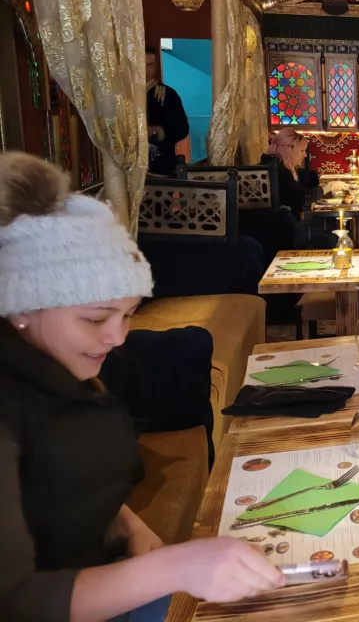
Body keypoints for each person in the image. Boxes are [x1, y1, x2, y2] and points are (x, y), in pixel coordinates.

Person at [0, 152, 285, 622]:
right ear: (21, 304)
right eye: (95, 318)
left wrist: (127, 523)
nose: (117, 337)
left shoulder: (58, 365)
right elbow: (14, 602)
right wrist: (170, 567)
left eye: (128, 314)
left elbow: (71, 475)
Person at [145, 47, 190, 177]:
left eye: (150, 65)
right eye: (142, 65)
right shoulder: (126, 95)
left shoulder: (167, 94)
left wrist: (156, 131)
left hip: (161, 167)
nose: (146, 69)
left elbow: (182, 128)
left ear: (156, 66)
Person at [262, 128, 318, 218]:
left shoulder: (272, 164)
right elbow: (303, 196)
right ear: (289, 149)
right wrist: (328, 187)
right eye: (301, 150)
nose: (305, 155)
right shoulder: (279, 170)